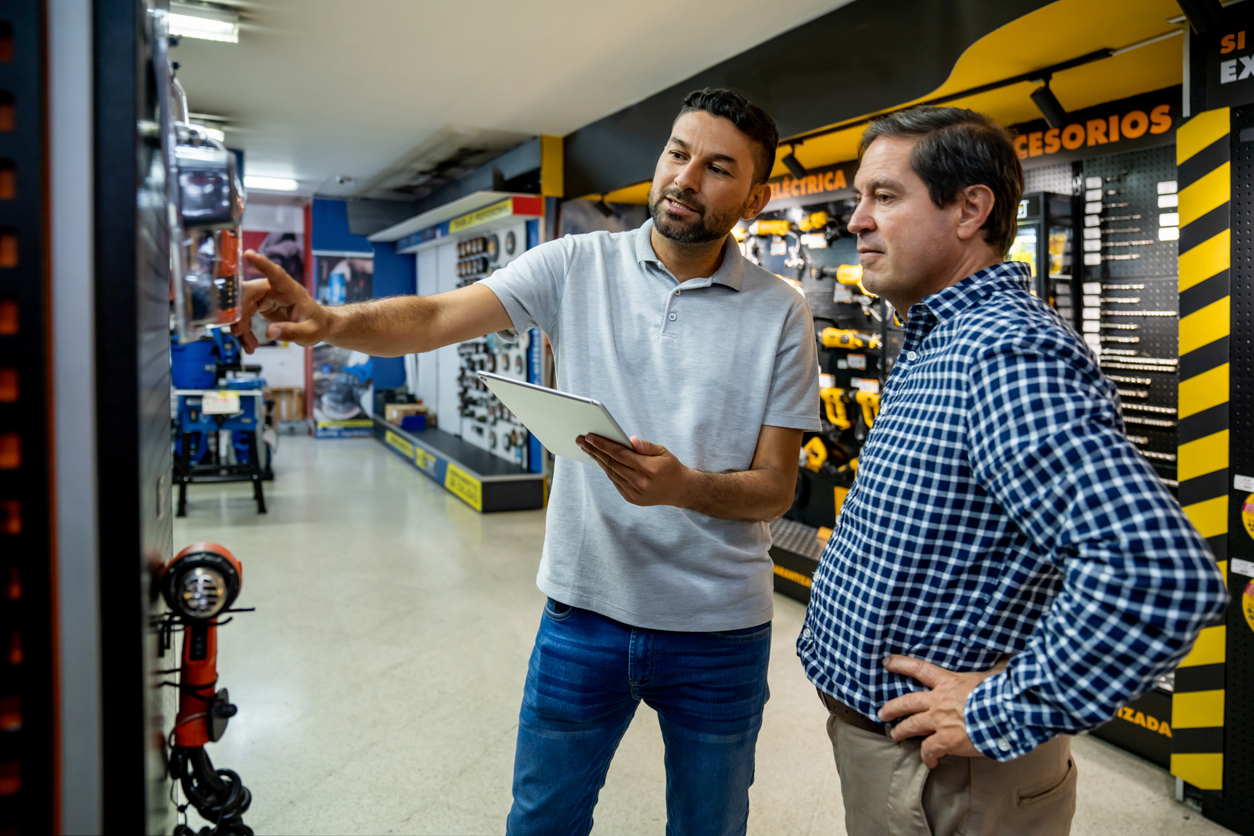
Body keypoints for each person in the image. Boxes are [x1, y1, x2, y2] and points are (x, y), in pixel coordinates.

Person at [231, 88, 820, 836]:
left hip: (718, 630)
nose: (684, 178)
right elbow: (437, 316)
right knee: (542, 823)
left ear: (755, 197)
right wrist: (329, 321)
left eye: (717, 168)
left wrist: (686, 487)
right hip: (583, 612)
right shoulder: (575, 264)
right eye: (677, 153)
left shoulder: (781, 311)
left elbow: (775, 489)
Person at [796, 106, 1227, 836]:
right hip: (907, 765)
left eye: (885, 196)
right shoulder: (940, 340)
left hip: (947, 782)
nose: (857, 221)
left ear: (971, 210)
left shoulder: (1002, 352)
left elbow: (1154, 573)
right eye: (859, 197)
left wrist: (998, 709)